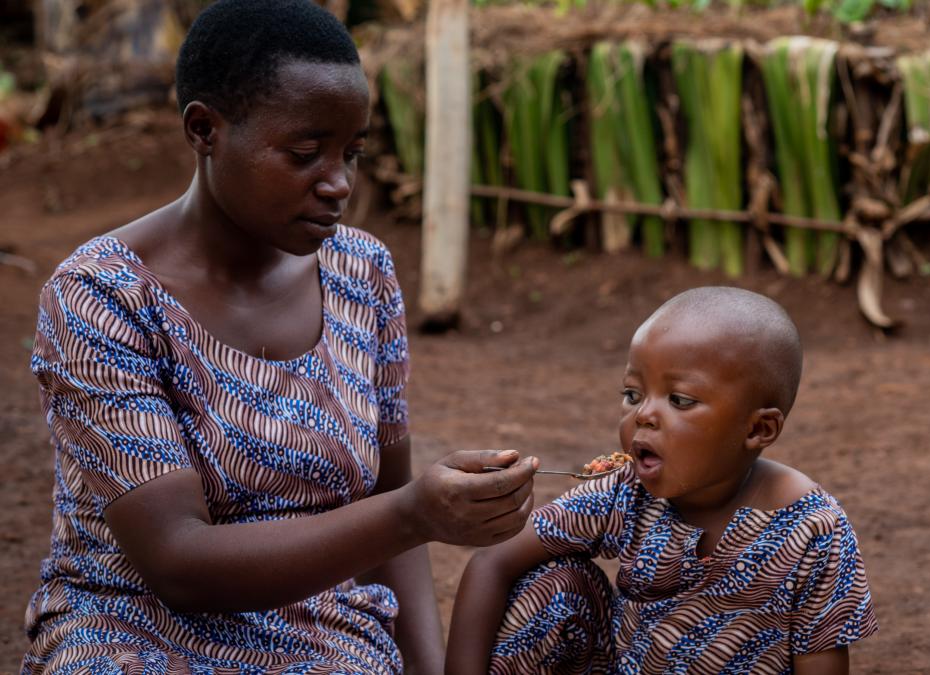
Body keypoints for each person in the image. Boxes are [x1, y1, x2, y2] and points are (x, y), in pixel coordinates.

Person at [21, 1, 538, 672]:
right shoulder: (103, 296)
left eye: (351, 153)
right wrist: (415, 514)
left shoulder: (361, 273)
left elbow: (388, 500)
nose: (339, 183)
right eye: (304, 153)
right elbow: (177, 560)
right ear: (204, 129)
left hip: (323, 630)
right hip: (131, 624)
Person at [447, 287, 879, 674]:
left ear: (758, 430)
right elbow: (492, 562)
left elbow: (821, 660)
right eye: (633, 395)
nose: (644, 415)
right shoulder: (624, 489)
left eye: (680, 400)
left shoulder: (812, 529)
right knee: (554, 583)